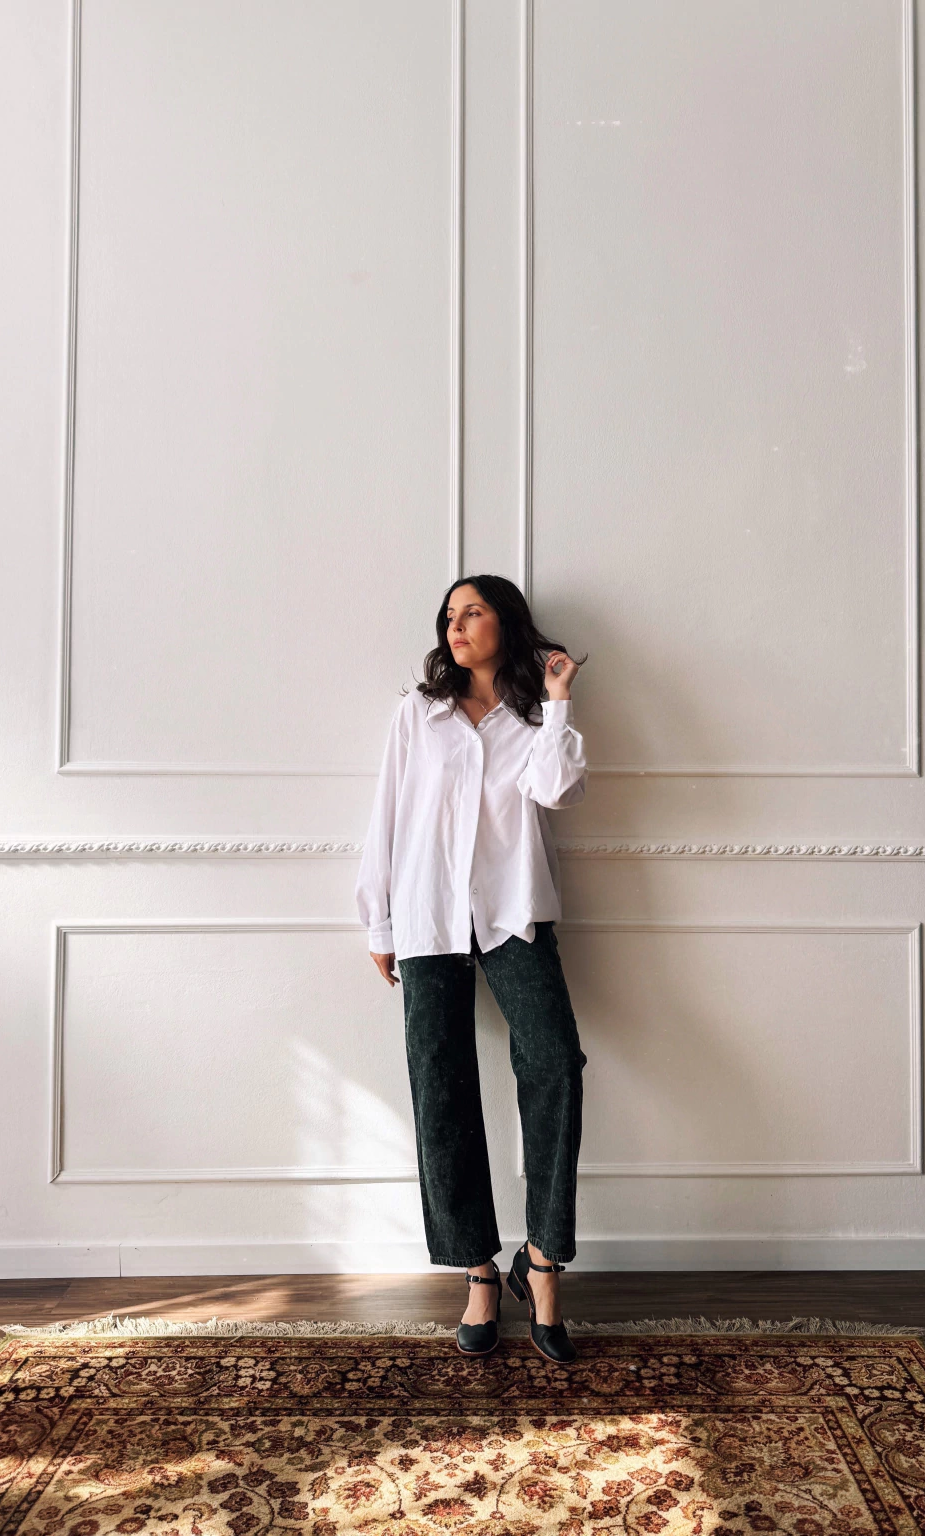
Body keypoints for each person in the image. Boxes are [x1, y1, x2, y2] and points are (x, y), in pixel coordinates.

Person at [355, 574, 590, 1363]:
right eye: (449, 616)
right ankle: (480, 1271)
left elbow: (559, 791)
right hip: (427, 917)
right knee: (441, 1085)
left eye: (474, 612)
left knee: (555, 1061)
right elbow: (387, 816)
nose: (456, 626)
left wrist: (558, 700)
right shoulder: (417, 715)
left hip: (512, 915)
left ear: (506, 623)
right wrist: (379, 919)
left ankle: (544, 1263)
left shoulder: (531, 716)